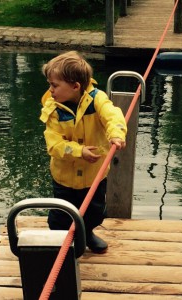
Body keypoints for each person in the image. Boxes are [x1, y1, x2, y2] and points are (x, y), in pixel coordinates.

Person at [40, 51, 127, 254]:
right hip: (64, 176)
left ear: (75, 86)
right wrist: (79, 151)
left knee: (94, 210)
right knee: (61, 213)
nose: (50, 90)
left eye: (54, 85)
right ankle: (62, 242)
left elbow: (113, 116)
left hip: (93, 175)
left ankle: (87, 233)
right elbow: (54, 144)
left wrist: (116, 134)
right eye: (50, 84)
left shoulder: (97, 99)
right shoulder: (53, 109)